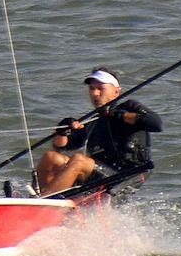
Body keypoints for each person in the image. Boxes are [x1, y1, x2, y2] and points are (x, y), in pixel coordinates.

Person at [36, 67, 162, 196]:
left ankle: (46, 204)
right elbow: (61, 145)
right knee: (51, 157)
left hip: (123, 177)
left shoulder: (130, 107)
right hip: (98, 176)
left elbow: (155, 123)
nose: (95, 93)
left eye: (101, 88)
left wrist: (115, 114)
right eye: (92, 89)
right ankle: (41, 199)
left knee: (79, 160)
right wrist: (62, 130)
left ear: (116, 92)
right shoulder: (93, 121)